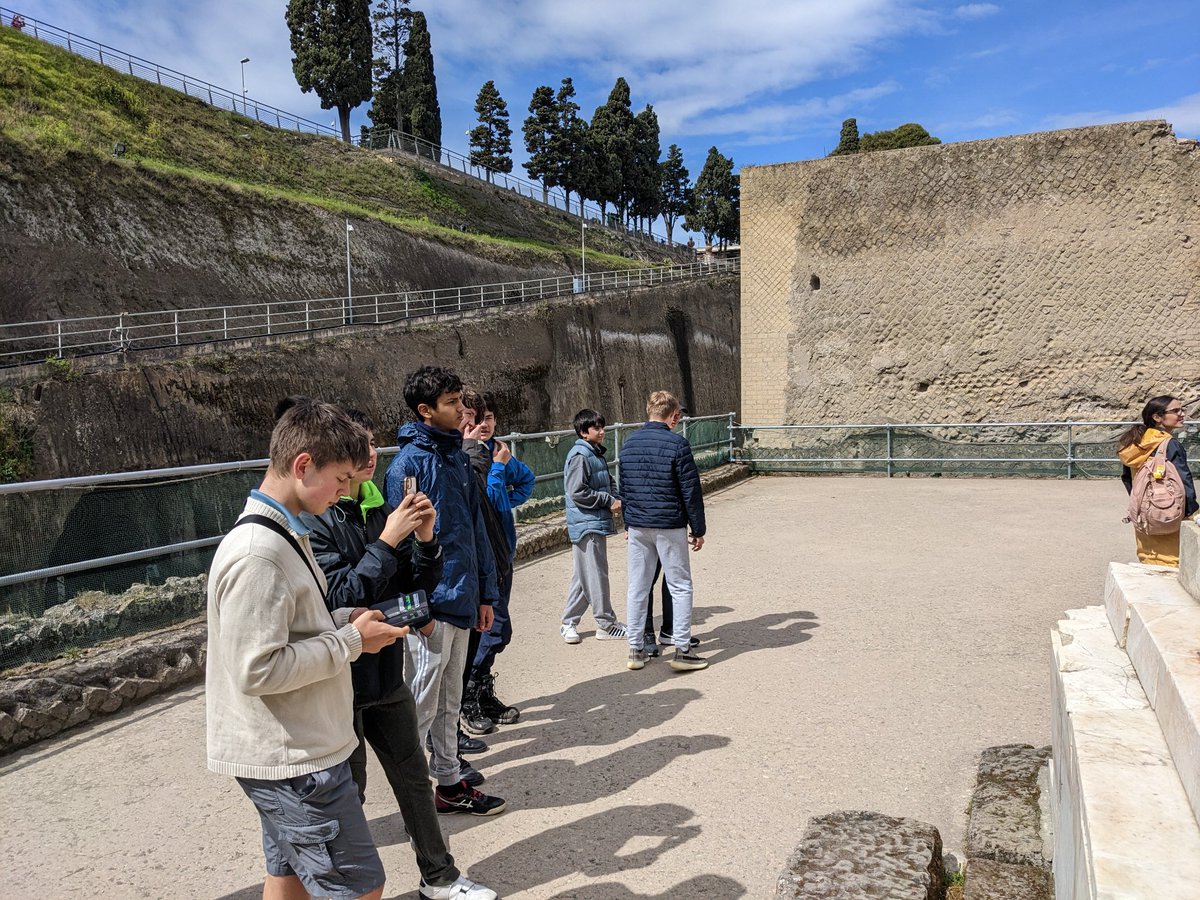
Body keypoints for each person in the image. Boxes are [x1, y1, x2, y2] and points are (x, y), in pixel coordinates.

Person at [206, 399, 405, 900]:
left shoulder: (281, 532)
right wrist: (352, 640)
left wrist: (341, 621)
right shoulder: (260, 553)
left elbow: (294, 626)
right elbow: (258, 669)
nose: (348, 491)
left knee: (288, 875)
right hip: (294, 760)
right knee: (359, 887)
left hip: (291, 751)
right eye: (341, 479)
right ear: (302, 466)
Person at [303, 409, 497, 900]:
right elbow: (341, 595)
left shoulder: (374, 506)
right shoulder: (315, 522)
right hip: (339, 681)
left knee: (413, 781)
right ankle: (347, 888)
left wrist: (425, 539)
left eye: (372, 447)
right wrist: (390, 538)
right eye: (359, 450)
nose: (371, 457)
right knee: (351, 794)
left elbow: (415, 583)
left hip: (386, 673)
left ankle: (441, 877)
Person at [384, 366, 506, 817]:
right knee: (421, 699)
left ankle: (450, 783)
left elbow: (477, 533)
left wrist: (486, 595)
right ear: (425, 411)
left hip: (462, 600)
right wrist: (418, 612)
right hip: (431, 608)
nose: (461, 410)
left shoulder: (455, 456)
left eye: (460, 401)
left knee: (450, 697)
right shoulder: (408, 467)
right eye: (452, 403)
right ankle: (412, 792)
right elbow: (398, 552)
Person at [619, 391, 709, 672]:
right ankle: (682, 650)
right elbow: (690, 491)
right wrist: (698, 528)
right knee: (680, 584)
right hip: (669, 523)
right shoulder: (678, 444)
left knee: (638, 585)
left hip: (638, 525)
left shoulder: (628, 443)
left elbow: (625, 488)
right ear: (674, 416)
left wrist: (627, 522)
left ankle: (636, 649)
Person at [464, 390, 535, 725]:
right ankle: (468, 697)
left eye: (489, 418)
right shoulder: (472, 457)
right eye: (477, 419)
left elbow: (526, 481)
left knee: (495, 629)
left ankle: (480, 691)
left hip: (503, 550)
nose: (484, 425)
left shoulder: (498, 451)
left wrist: (509, 495)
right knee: (493, 629)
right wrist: (498, 473)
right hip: (483, 556)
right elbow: (488, 500)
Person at [560, 408, 628, 644]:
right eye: (596, 428)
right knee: (596, 574)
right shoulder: (581, 455)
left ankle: (569, 622)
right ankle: (606, 624)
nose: (602, 431)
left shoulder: (592, 453)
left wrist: (615, 498)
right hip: (587, 523)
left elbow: (606, 481)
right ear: (583, 432)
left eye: (602, 426)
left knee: (584, 575)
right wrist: (609, 501)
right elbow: (577, 491)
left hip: (590, 521)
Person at [1117, 395, 1197, 566]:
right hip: (1169, 512)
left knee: (1150, 559)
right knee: (1174, 561)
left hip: (1145, 513)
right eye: (1176, 411)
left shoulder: (1136, 443)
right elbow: (1184, 480)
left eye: (1182, 409)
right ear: (1157, 417)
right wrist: (1193, 511)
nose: (1182, 414)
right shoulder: (1169, 444)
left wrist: (1142, 503)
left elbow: (1128, 478)